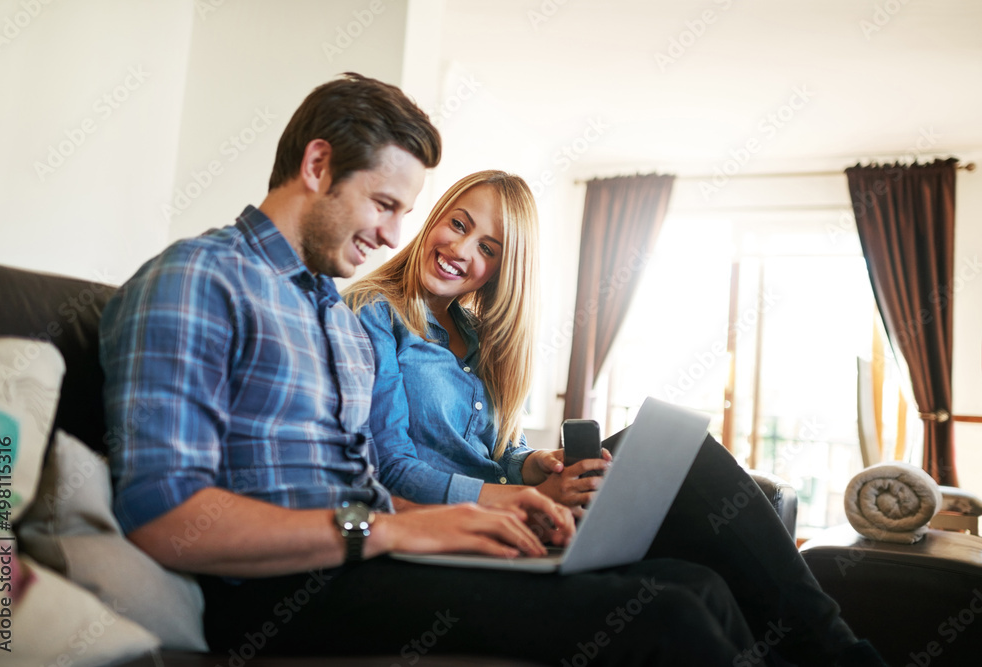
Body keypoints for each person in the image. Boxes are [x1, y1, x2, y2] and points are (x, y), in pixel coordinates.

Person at [100, 73, 764, 666]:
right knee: (666, 618)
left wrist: (457, 521)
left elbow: (365, 490)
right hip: (282, 591)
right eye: (385, 204)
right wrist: (392, 527)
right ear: (317, 163)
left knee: (693, 584)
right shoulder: (200, 278)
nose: (396, 235)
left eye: (404, 213)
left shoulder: (329, 311)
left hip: (366, 558)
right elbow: (164, 513)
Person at [344, 170, 889, 667]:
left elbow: (499, 455)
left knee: (704, 579)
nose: (460, 250)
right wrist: (530, 498)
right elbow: (392, 467)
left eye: (488, 247)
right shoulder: (376, 310)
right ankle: (845, 656)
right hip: (461, 528)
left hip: (519, 514)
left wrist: (537, 466)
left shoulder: (482, 339)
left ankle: (833, 653)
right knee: (694, 471)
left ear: (501, 272)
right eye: (457, 224)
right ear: (434, 218)